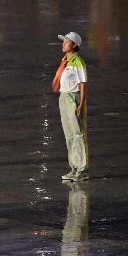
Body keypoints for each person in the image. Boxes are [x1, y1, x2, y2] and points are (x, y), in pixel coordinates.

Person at [53, 31, 89, 182]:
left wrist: (81, 103)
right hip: (63, 98)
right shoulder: (65, 62)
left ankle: (82, 169)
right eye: (64, 41)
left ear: (74, 45)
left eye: (67, 41)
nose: (64, 43)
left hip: (73, 98)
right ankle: (73, 167)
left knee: (78, 134)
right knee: (69, 134)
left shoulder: (78, 62)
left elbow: (83, 84)